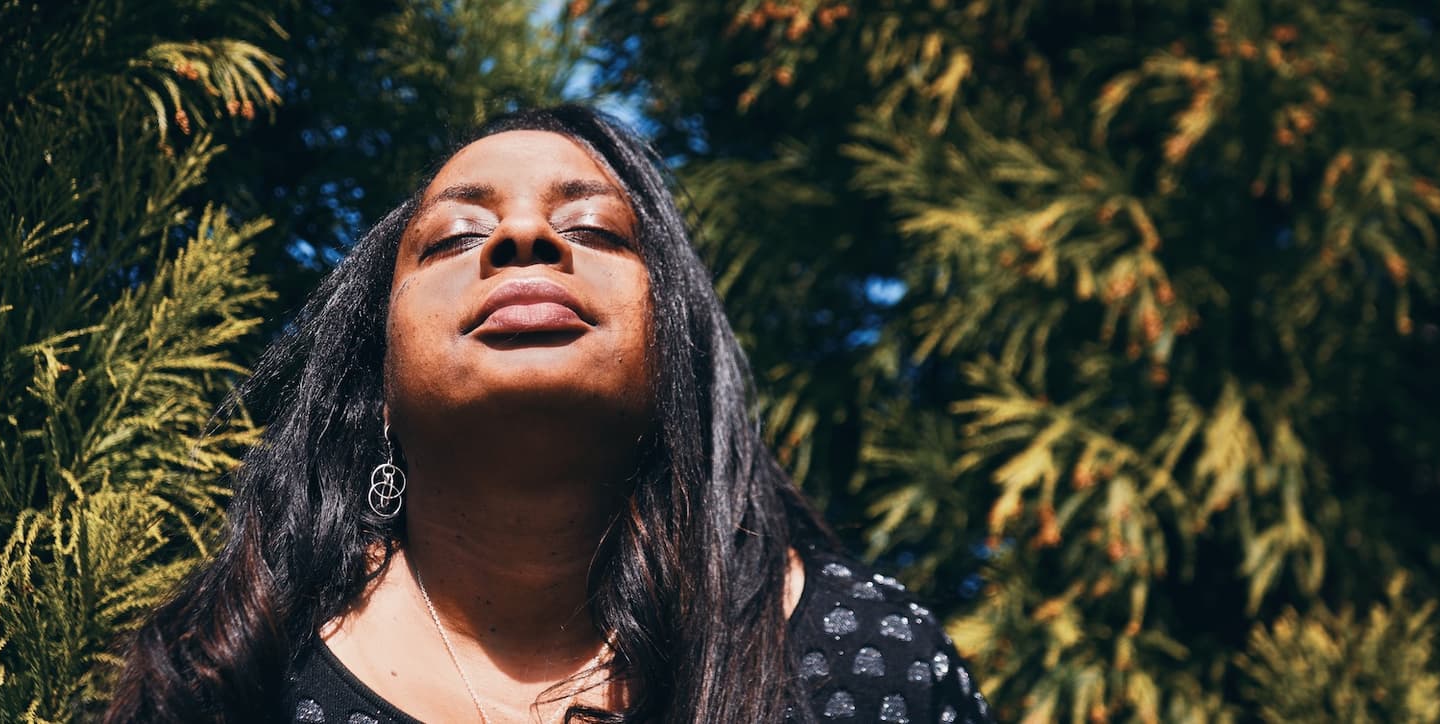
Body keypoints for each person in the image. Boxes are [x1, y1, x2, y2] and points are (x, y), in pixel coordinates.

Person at [107, 105, 992, 723]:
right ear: (374, 378)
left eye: (598, 231)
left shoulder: (862, 660)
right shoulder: (231, 672)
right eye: (455, 236)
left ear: (675, 351)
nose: (523, 239)